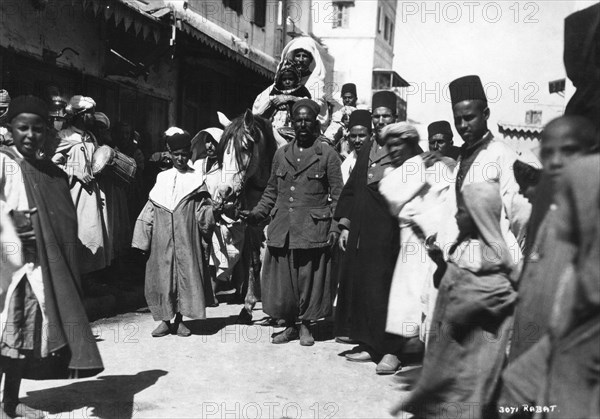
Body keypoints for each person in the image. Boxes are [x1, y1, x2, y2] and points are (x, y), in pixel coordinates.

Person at [398, 75, 530, 418]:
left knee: (479, 366)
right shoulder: (462, 157)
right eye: (458, 119)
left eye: (469, 117)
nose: (462, 125)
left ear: (485, 113)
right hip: (457, 269)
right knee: (446, 360)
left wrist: (508, 263)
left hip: (489, 275)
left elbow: (517, 215)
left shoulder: (501, 156)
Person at [0, 96, 103, 418]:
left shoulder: (51, 173)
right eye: (22, 128)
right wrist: (9, 224)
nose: (30, 135)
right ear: (9, 129)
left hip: (34, 272)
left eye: (38, 129)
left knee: (21, 338)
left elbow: (61, 222)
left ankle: (9, 403)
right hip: (6, 270)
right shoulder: (3, 163)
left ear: (47, 132)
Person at [498, 116, 598, 415]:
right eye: (548, 153)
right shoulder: (554, 216)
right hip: (537, 340)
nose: (556, 162)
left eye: (568, 151)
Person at [241, 99, 343, 346]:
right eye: (298, 120)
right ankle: (289, 326)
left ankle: (307, 326)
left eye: (308, 119)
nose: (303, 124)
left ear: (315, 123)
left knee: (309, 280)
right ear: (293, 123)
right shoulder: (281, 154)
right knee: (284, 282)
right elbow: (271, 191)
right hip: (283, 228)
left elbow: (339, 195)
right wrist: (256, 214)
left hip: (312, 229)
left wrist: (335, 227)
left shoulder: (327, 154)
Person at [334, 90, 407, 374]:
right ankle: (368, 343)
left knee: (389, 289)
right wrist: (345, 225)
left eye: (385, 116)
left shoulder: (405, 148)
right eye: (376, 116)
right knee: (365, 286)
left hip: (391, 232)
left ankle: (392, 350)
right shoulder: (368, 146)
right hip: (363, 230)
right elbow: (353, 188)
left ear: (395, 118)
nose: (379, 121)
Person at [132, 127, 216, 338]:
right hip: (161, 237)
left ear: (189, 154)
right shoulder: (162, 177)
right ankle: (164, 320)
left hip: (187, 236)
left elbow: (203, 210)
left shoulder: (196, 179)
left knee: (185, 276)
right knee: (161, 277)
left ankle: (179, 320)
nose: (180, 158)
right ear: (169, 153)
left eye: (184, 155)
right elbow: (150, 208)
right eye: (176, 154)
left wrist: (213, 212)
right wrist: (142, 238)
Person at [378, 123, 455, 344]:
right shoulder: (391, 174)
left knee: (436, 304)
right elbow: (393, 195)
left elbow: (449, 202)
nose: (392, 151)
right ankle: (399, 351)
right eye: (388, 146)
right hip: (411, 246)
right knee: (408, 306)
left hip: (439, 245)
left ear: (411, 144)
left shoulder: (439, 167)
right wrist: (419, 163)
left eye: (397, 145)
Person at [53, 96, 110, 278]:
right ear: (81, 115)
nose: (93, 117)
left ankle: (88, 276)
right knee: (76, 233)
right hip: (73, 195)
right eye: (90, 114)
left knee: (91, 232)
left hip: (91, 195)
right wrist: (75, 172)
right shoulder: (64, 136)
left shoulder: (91, 137)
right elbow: (52, 164)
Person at [253, 36, 329, 125]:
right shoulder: (282, 80)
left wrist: (290, 99)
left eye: (304, 56)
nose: (300, 60)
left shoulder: (316, 83)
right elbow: (260, 103)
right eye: (297, 56)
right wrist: (275, 101)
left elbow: (316, 106)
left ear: (311, 59)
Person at [259, 60, 311, 129]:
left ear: (295, 79)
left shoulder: (301, 89)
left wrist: (290, 99)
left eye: (290, 79)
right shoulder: (277, 89)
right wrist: (278, 103)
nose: (287, 82)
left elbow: (307, 101)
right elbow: (271, 98)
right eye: (284, 79)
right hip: (275, 119)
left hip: (293, 120)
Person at [340, 109, 370, 184]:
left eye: (361, 136)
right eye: (353, 136)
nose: (357, 140)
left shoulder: (376, 160)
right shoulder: (346, 165)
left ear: (371, 136)